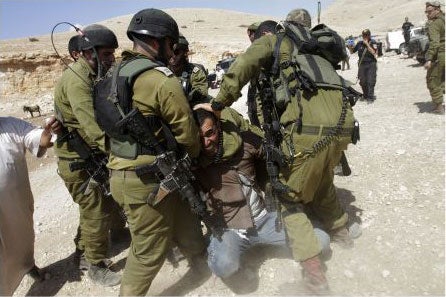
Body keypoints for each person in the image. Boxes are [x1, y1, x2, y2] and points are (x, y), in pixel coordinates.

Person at [194, 8, 357, 294]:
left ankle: (315, 277)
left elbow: (245, 63)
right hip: (345, 123)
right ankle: (341, 229)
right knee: (320, 177)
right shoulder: (315, 48)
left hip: (309, 130)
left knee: (288, 196)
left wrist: (219, 104)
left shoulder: (275, 40)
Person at [105, 9, 207, 296]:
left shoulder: (114, 73)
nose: (172, 52)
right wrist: (196, 154)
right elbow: (187, 133)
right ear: (160, 41)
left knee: (185, 211)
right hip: (147, 179)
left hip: (124, 170)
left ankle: (199, 260)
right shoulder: (160, 78)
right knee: (149, 250)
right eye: (171, 45)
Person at [192, 108, 332, 280]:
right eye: (200, 138)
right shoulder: (193, 163)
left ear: (218, 128)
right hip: (232, 230)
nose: (206, 142)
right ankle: (216, 248)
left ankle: (266, 243)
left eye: (210, 133)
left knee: (321, 241)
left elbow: (273, 153)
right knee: (224, 266)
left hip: (265, 221)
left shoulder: (243, 144)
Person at [53, 24, 125, 287]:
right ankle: (95, 265)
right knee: (95, 209)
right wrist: (119, 153)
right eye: (105, 55)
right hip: (77, 160)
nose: (110, 60)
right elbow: (90, 125)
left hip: (87, 156)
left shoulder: (92, 74)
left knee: (98, 205)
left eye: (111, 54)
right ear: (86, 53)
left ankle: (84, 251)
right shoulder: (76, 79)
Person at [0, 116, 60, 296]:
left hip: (16, 206)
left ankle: (26, 265)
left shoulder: (10, 126)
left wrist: (47, 133)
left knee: (21, 238)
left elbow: (37, 138)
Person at [168, 33, 209, 107]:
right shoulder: (161, 70)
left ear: (185, 53)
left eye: (176, 52)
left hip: (190, 105)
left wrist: (188, 95)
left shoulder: (195, 71)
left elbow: (201, 92)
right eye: (170, 51)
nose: (172, 55)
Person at [424, 1, 445, 114]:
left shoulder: (435, 24)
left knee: (432, 80)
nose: (428, 14)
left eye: (430, 11)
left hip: (440, 55)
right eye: (426, 12)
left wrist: (429, 59)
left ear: (437, 10)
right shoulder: (443, 20)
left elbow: (435, 44)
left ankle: (439, 107)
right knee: (442, 80)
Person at [350, 29, 378, 103]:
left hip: (371, 64)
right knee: (363, 81)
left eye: (366, 35)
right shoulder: (359, 43)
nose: (364, 36)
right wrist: (350, 46)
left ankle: (370, 97)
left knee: (370, 81)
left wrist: (367, 44)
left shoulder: (373, 42)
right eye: (363, 35)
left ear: (369, 35)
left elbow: (374, 52)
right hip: (362, 64)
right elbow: (352, 51)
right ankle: (365, 95)